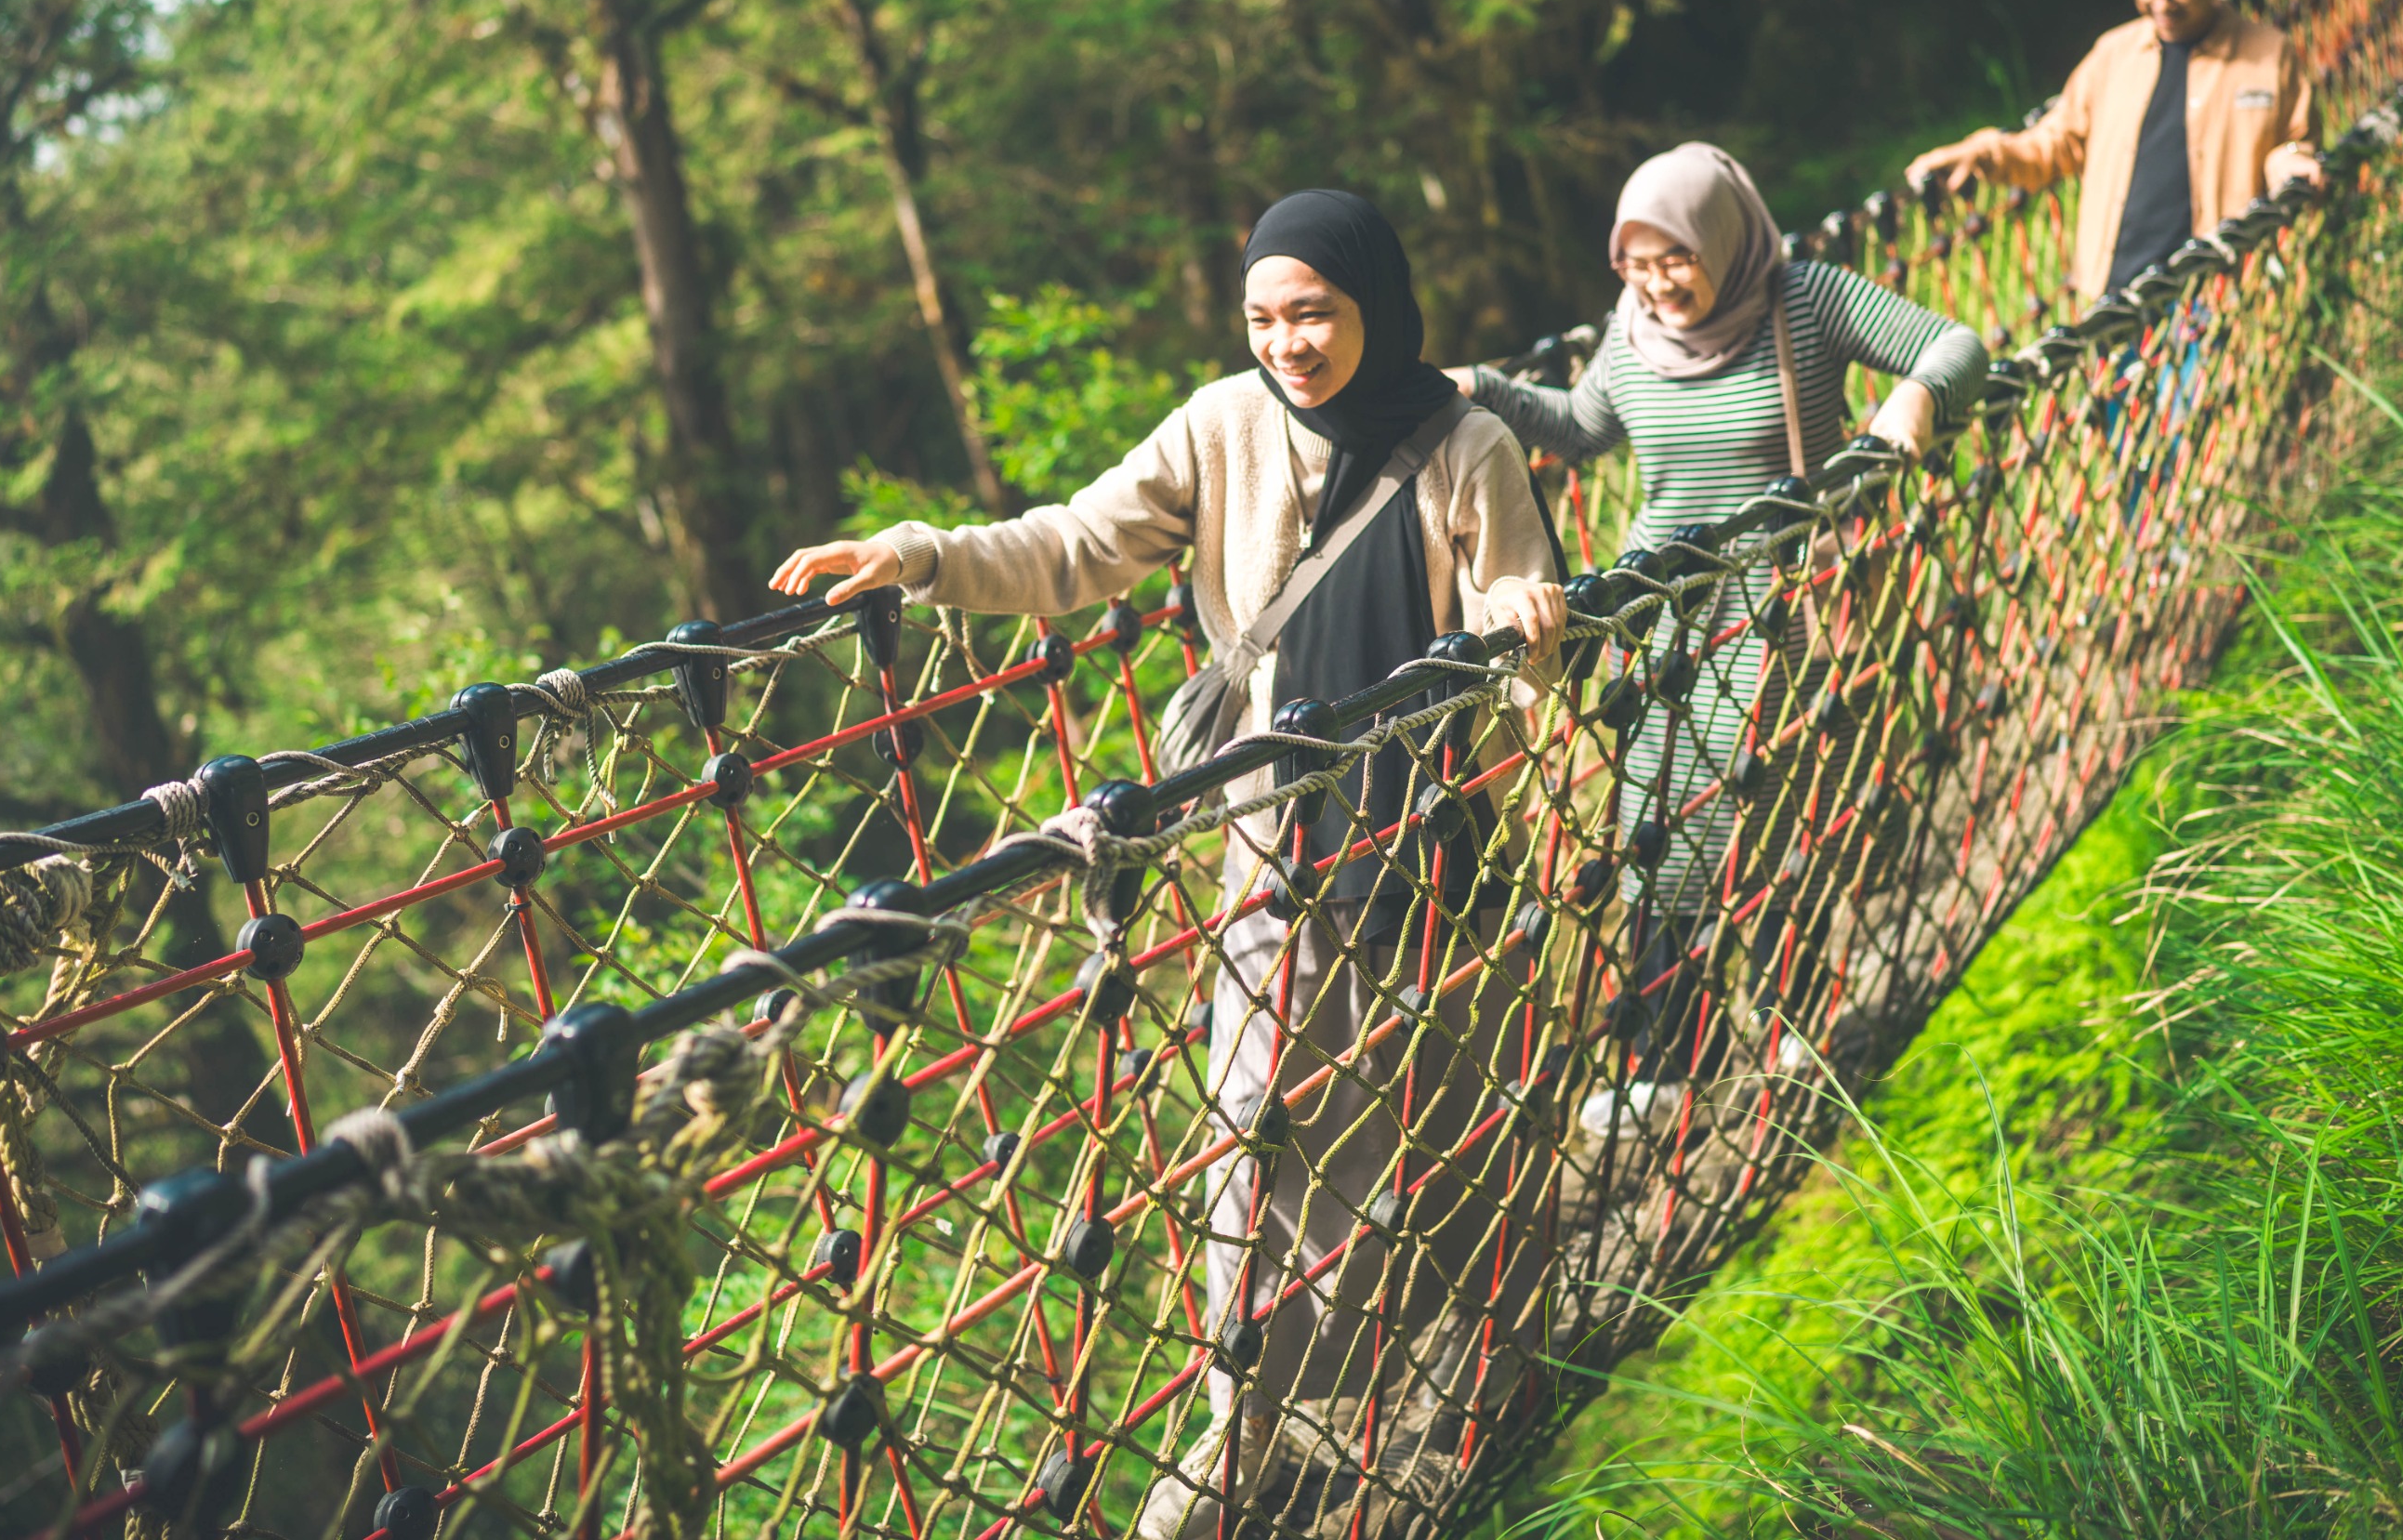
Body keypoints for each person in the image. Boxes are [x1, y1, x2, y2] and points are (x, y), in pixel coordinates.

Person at [772, 191, 1565, 1540]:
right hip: (1281, 840)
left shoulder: (1466, 444)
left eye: (1313, 313)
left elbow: (1518, 612)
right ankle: (1250, 1429)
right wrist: (918, 554)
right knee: (1262, 1126)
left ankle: (1484, 1372)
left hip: (1440, 831)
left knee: (1469, 1097)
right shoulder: (1220, 427)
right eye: (1263, 317)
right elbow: (1075, 545)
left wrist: (1521, 615)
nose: (1289, 344)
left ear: (1374, 301)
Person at [1452, 143, 1986, 1145]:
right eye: (1636, 263)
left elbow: (1958, 344)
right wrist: (1480, 386)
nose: (1659, 284)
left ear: (1726, 238)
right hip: (1658, 616)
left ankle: (1791, 1020)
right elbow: (1580, 428)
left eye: (1676, 259)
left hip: (1781, 604)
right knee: (1662, 831)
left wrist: (1913, 399)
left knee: (1770, 807)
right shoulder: (1633, 330)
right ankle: (1671, 1064)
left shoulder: (1807, 300)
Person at [1905, 0, 2321, 300]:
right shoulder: (2113, 54)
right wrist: (1982, 154)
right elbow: (2056, 143)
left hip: (2216, 291)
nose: (2162, 4)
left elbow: (2294, 140)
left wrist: (2290, 161)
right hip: (2117, 296)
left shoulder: (2269, 55)